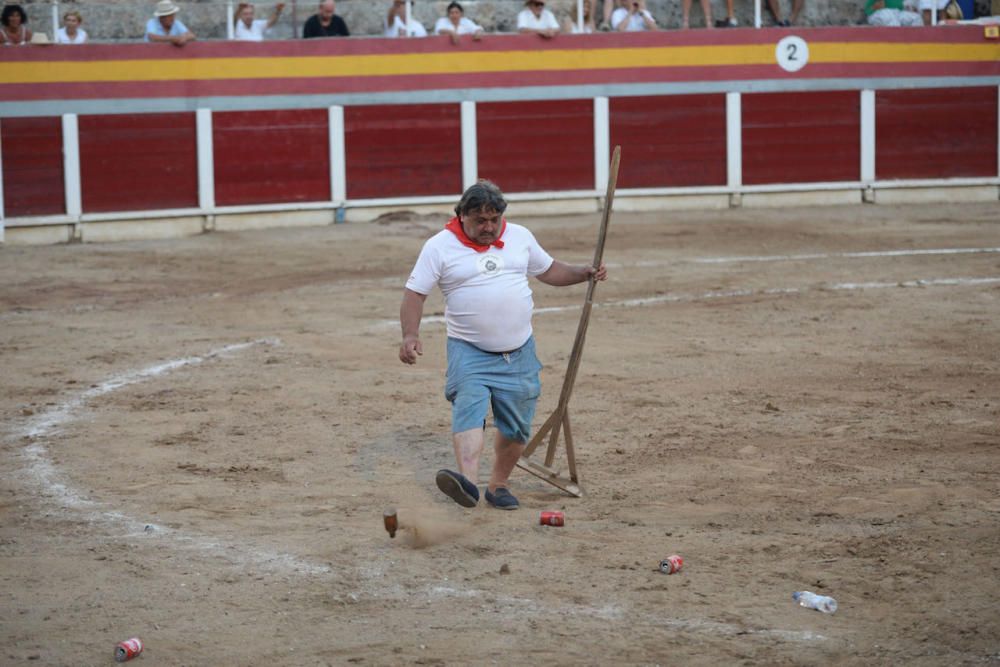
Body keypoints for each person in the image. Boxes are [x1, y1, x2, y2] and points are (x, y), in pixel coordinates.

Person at [398, 181, 608, 511]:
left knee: (517, 426)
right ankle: (467, 482)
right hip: (469, 349)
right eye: (480, 220)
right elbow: (415, 294)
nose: (488, 227)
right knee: (469, 404)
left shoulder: (520, 236)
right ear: (462, 216)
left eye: (494, 219)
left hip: (519, 351)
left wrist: (583, 273)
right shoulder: (440, 246)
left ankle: (498, 484)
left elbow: (549, 270)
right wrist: (410, 335)